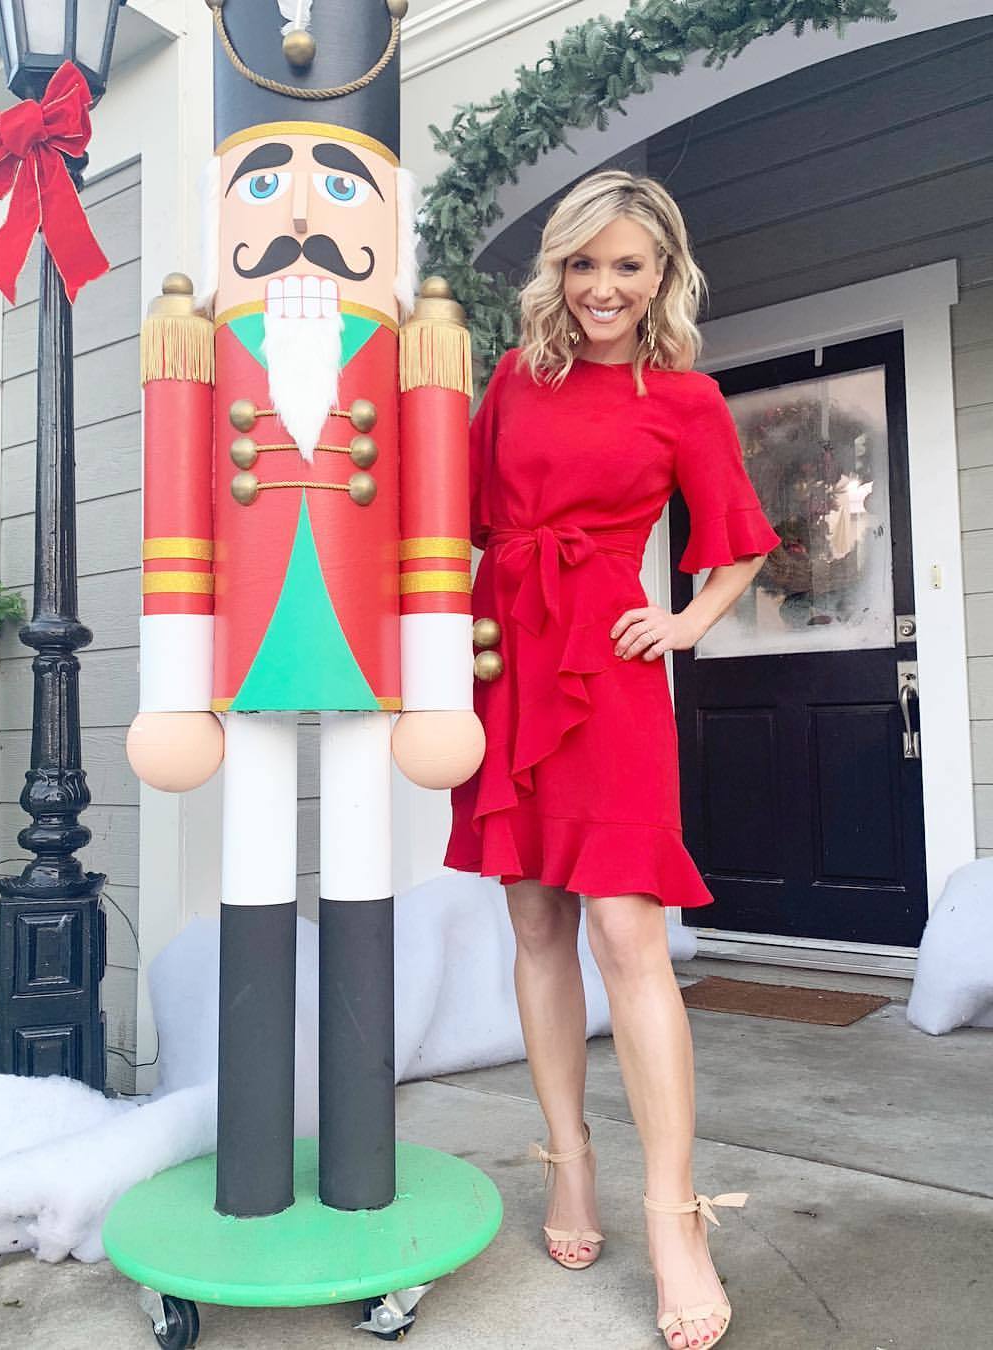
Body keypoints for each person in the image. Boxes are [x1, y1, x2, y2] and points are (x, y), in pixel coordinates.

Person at [445, 171, 780, 1350]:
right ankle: (569, 1162)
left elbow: (739, 542)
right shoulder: (512, 379)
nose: (601, 287)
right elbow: (455, 516)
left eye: (627, 265)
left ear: (663, 275)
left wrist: (684, 623)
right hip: (505, 656)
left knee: (629, 934)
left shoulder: (684, 398)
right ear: (558, 270)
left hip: (609, 667)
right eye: (582, 263)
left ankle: (675, 1217)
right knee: (535, 920)